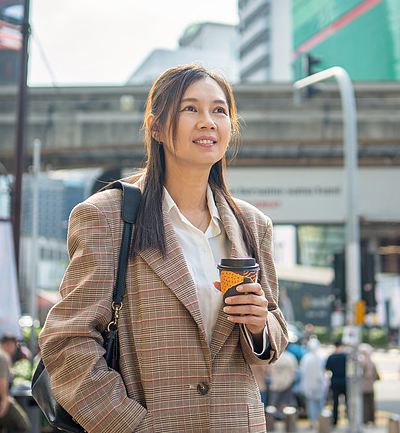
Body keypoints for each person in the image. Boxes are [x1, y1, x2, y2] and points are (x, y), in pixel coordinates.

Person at [39, 65, 289, 432]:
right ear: (155, 127)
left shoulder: (252, 225)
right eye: (191, 109)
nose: (208, 121)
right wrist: (133, 427)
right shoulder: (107, 217)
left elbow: (276, 330)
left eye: (219, 110)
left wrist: (259, 324)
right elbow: (67, 343)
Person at [299, 337, 328, 428]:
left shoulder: (306, 358)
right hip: (319, 385)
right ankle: (320, 421)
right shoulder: (320, 358)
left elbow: (302, 371)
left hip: (309, 385)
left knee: (311, 404)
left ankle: (313, 421)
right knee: (319, 403)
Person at [268, 347, 298, 418]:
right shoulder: (290, 357)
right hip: (287, 383)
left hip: (276, 383)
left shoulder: (274, 357)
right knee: (287, 404)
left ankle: (274, 418)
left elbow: (269, 370)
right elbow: (294, 370)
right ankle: (287, 419)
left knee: (274, 404)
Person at [325, 340, 347, 426]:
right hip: (345, 381)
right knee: (347, 402)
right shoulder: (345, 356)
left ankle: (335, 421)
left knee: (335, 403)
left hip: (334, 381)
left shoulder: (331, 357)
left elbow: (327, 368)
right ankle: (349, 419)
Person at [359, 343, 380, 426]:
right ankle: (372, 419)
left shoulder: (361, 362)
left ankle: (365, 419)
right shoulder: (371, 362)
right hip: (371, 386)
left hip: (363, 386)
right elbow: (376, 375)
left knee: (364, 404)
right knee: (371, 403)